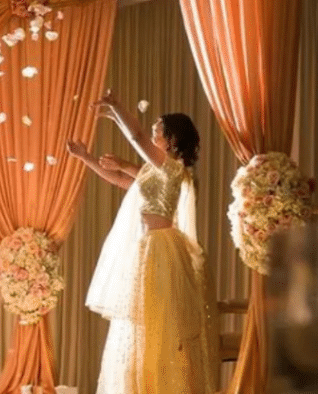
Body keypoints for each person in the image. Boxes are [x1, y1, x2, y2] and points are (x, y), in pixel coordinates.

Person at [67, 92, 219, 394]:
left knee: (159, 323)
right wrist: (85, 157)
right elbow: (120, 181)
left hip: (161, 249)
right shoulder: (155, 170)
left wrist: (118, 107)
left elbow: (135, 136)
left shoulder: (172, 169)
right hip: (148, 247)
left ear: (172, 139)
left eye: (158, 130)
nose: (152, 133)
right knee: (142, 324)